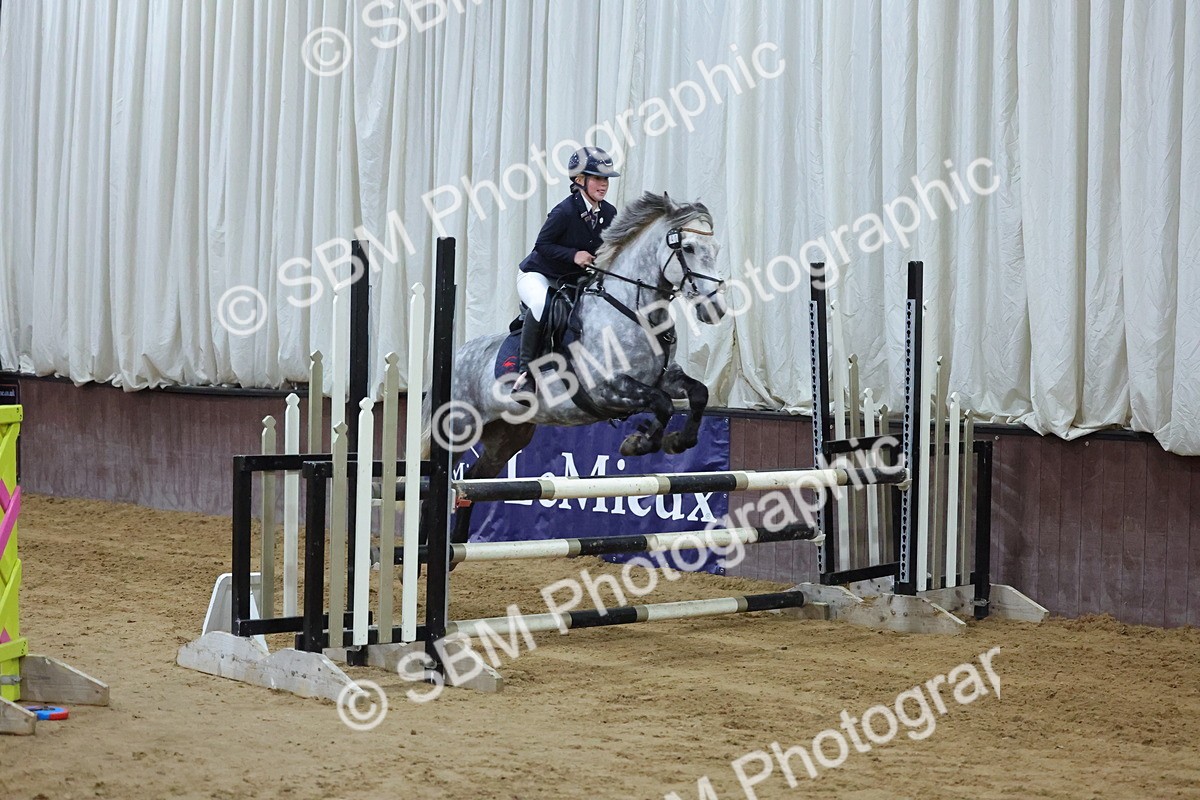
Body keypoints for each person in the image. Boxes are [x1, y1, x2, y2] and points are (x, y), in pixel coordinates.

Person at [511, 145, 620, 392]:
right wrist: (574, 255)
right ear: (580, 180)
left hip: (571, 280)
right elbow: (542, 245)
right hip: (539, 275)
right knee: (541, 305)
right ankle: (526, 372)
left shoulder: (609, 212)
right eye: (598, 178)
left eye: (606, 179)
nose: (604, 184)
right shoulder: (565, 211)